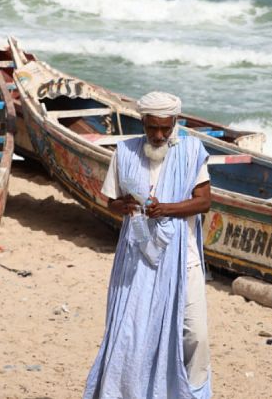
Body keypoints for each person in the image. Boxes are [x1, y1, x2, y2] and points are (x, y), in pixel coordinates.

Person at [84, 92, 212, 399]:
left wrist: (165, 209)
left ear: (175, 124)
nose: (158, 135)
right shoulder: (125, 151)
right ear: (142, 122)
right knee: (134, 334)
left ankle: (193, 393)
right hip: (138, 260)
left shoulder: (192, 150)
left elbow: (204, 202)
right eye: (152, 128)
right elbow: (111, 202)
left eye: (165, 129)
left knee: (196, 336)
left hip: (185, 260)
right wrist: (123, 205)